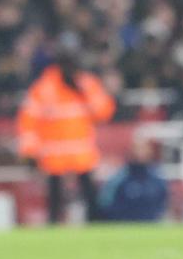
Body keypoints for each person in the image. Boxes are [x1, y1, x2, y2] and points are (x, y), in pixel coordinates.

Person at [16, 47, 115, 226]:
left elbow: (104, 112)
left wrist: (83, 92)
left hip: (80, 153)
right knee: (55, 196)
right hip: (55, 154)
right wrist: (30, 152)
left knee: (89, 194)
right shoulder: (45, 88)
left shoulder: (86, 84)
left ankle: (95, 223)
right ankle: (54, 224)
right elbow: (29, 121)